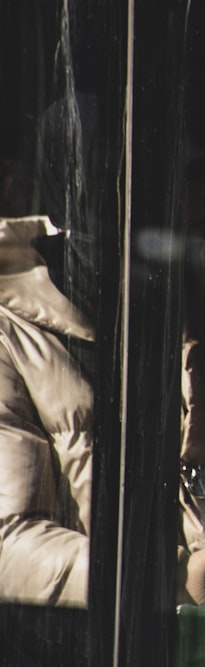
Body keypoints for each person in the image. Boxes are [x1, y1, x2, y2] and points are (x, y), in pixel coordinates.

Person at [0, 215, 93, 607]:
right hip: (141, 620)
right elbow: (12, 542)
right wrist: (168, 574)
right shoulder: (8, 333)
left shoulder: (187, 290)